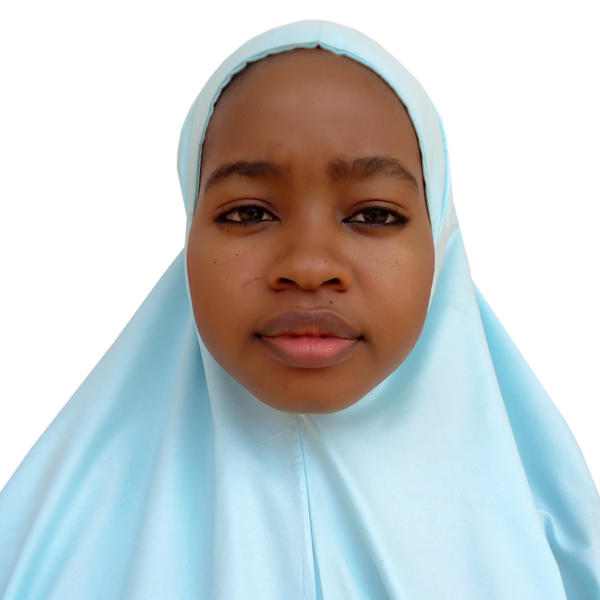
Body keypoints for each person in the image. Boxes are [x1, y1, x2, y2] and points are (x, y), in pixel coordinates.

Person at [1, 20, 598, 600]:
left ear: (440, 244)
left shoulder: (559, 545)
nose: (309, 266)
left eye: (374, 215)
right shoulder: (42, 547)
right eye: (249, 213)